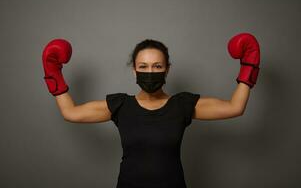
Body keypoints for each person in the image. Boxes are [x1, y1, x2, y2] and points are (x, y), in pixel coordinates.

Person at [42, 33, 260, 188]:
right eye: (143, 66)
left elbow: (235, 107)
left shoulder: (182, 105)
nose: (150, 71)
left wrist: (249, 64)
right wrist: (53, 71)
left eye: (157, 66)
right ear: (134, 70)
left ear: (167, 69)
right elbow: (70, 112)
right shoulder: (120, 105)